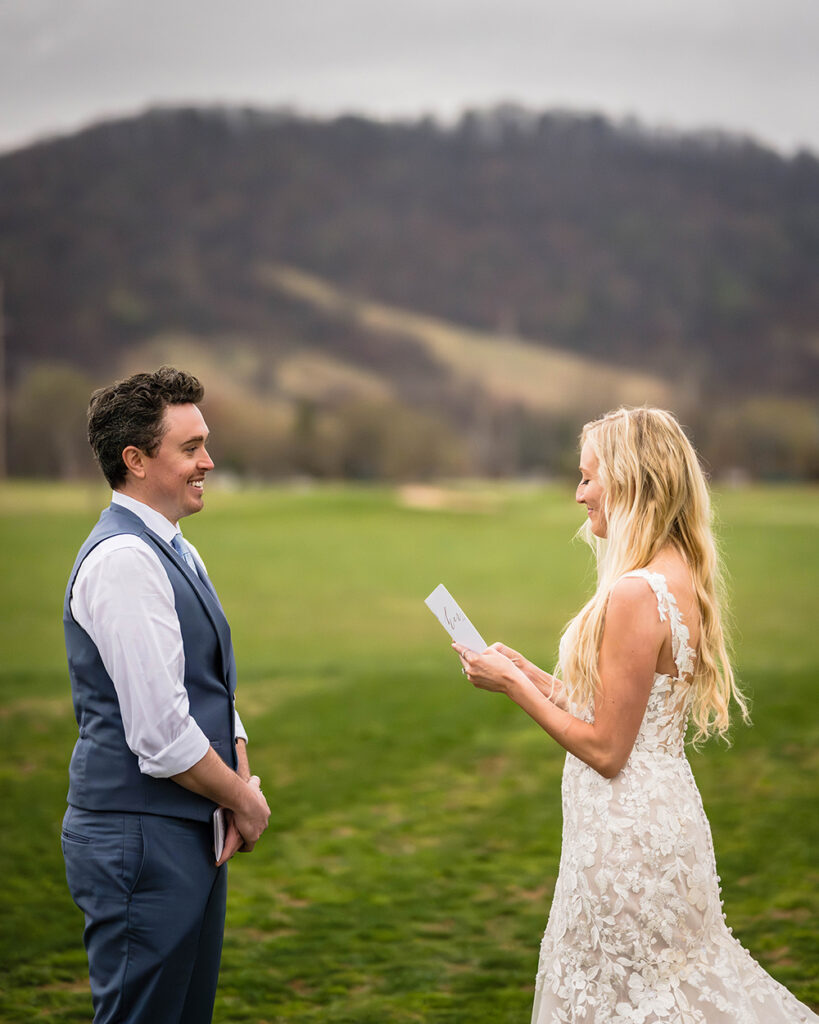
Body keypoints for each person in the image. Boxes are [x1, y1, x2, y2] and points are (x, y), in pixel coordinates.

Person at [452, 407, 817, 1024]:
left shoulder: (633, 592)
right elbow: (625, 709)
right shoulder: (679, 576)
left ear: (628, 481)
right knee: (671, 987)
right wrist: (536, 676)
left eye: (588, 478)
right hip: (662, 821)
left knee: (623, 998)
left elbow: (605, 748)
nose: (579, 494)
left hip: (625, 844)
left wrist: (515, 688)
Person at [61, 366, 270, 1024]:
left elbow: (205, 683)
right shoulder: (125, 561)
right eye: (189, 449)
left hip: (185, 829)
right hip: (138, 840)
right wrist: (245, 800)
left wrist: (236, 760)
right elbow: (159, 733)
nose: (208, 461)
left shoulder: (175, 547)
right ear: (135, 460)